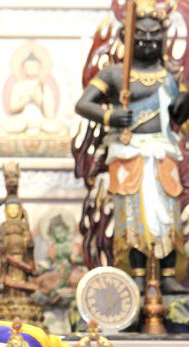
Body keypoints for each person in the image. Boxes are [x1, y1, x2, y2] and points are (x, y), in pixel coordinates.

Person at [74, 0, 189, 293]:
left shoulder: (170, 75)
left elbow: (178, 116)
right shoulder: (115, 74)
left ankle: (168, 275)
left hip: (163, 153)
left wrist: (185, 93)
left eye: (154, 37)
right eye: (141, 36)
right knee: (133, 216)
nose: (148, 42)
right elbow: (84, 104)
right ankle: (136, 274)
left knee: (167, 216)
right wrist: (110, 116)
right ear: (126, 37)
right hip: (129, 154)